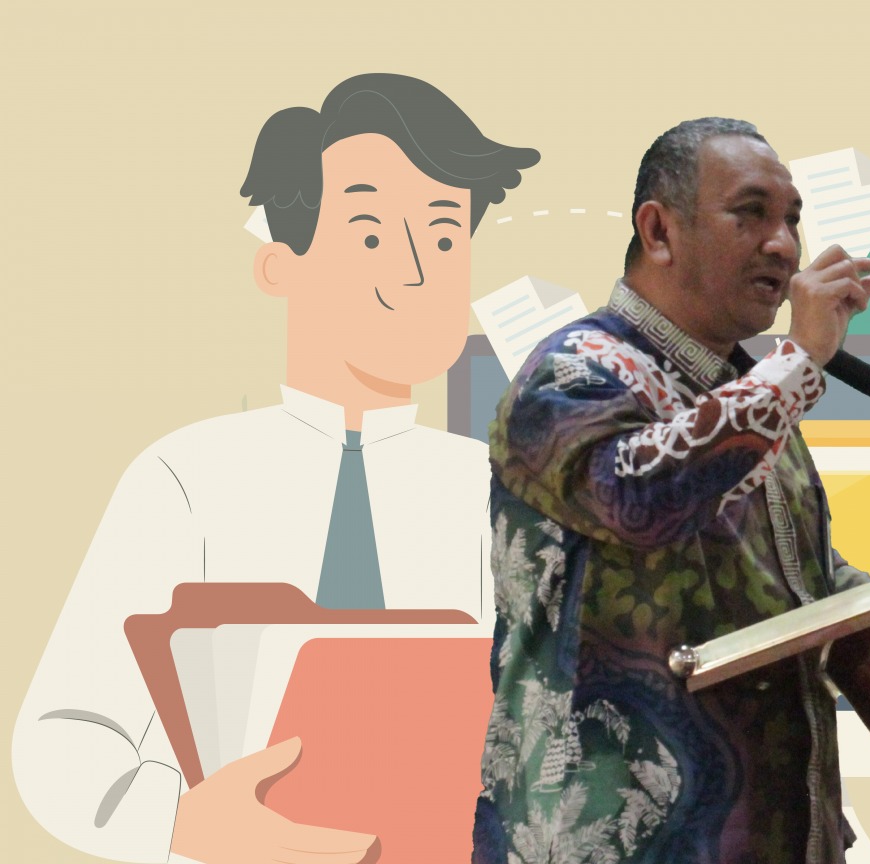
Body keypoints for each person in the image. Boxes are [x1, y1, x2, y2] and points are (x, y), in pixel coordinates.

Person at [13, 73, 539, 863]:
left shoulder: (491, 493)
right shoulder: (186, 480)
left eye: (442, 238)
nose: (416, 272)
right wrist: (182, 826)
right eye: (371, 236)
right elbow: (62, 735)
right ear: (278, 267)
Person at [475, 118, 870, 864]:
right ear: (659, 231)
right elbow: (639, 500)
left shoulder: (754, 400)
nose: (784, 246)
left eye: (792, 219)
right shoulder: (570, 373)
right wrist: (796, 363)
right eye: (751, 213)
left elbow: (806, 593)